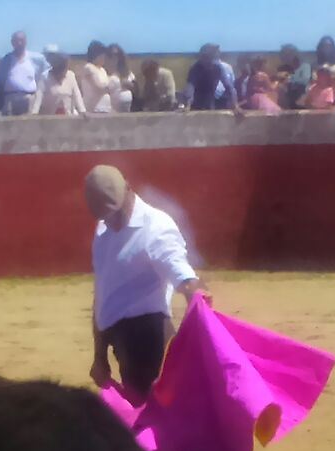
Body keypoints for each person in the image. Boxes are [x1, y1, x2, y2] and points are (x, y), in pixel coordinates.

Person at [86, 165, 211, 401]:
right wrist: (99, 355)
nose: (110, 221)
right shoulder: (103, 229)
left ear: (128, 189)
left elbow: (181, 272)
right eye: (105, 215)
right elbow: (102, 292)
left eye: (114, 213)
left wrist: (195, 295)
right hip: (120, 341)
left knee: (156, 412)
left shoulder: (156, 227)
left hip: (150, 339)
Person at [0, 31, 47, 116]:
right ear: (12, 42)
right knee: (9, 124)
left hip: (29, 98)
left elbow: (47, 74)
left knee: (28, 123)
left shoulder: (37, 59)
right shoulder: (4, 60)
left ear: (26, 41)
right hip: (10, 99)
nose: (19, 43)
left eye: (22, 40)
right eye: (16, 41)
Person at [32, 48, 87, 115]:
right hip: (49, 116)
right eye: (63, 68)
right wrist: (34, 114)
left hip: (68, 115)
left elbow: (77, 94)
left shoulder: (71, 75)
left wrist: (82, 111)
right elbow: (38, 97)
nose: (65, 70)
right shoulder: (45, 77)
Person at [185, 44, 235, 111]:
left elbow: (229, 87)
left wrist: (235, 105)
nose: (211, 62)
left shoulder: (218, 67)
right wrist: (188, 105)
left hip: (210, 103)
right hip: (195, 105)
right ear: (203, 57)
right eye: (209, 57)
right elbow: (190, 88)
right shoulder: (195, 69)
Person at [80, 41, 113, 114]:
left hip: (106, 108)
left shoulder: (102, 70)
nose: (104, 58)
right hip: (95, 109)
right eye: (102, 55)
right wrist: (113, 85)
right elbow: (99, 87)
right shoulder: (88, 68)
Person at [278, 44, 312, 109]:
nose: (287, 56)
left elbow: (305, 80)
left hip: (302, 93)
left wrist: (290, 79)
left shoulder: (305, 66)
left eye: (289, 54)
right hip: (287, 95)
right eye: (285, 54)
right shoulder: (282, 68)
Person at [106, 44, 136, 113]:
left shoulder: (127, 72)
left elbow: (135, 87)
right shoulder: (103, 72)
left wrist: (129, 85)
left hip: (128, 108)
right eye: (111, 55)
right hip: (111, 109)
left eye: (117, 55)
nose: (114, 57)